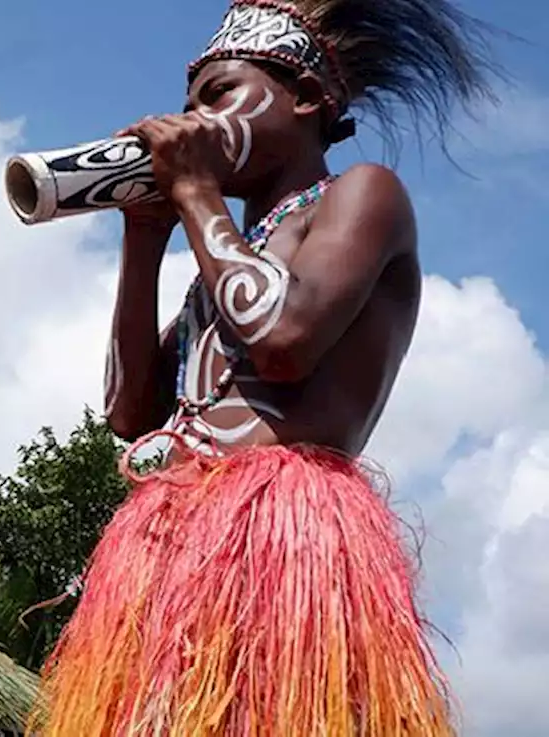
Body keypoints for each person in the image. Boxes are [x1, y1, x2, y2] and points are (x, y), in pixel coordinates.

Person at [32, 0, 498, 734]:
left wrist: (192, 191)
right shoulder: (221, 270)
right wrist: (144, 238)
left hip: (283, 541)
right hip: (165, 544)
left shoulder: (365, 194)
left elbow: (283, 340)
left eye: (219, 94)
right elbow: (129, 414)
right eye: (188, 103)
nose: (192, 119)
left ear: (307, 98)